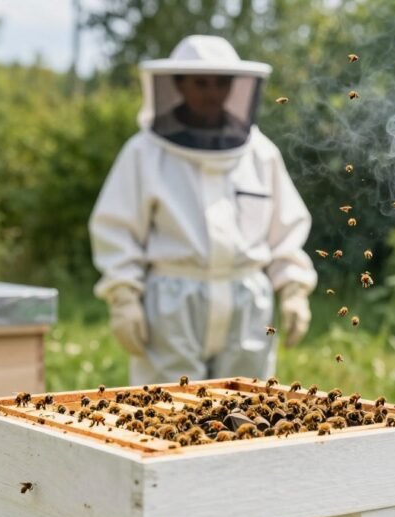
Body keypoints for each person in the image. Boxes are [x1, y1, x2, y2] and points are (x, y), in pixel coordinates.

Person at [89, 35, 316, 384]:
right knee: (169, 415)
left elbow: (284, 228)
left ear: (236, 87)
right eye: (201, 83)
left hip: (247, 303)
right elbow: (116, 227)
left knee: (246, 412)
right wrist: (123, 297)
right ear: (178, 85)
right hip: (172, 303)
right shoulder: (144, 152)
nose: (212, 92)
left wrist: (294, 289)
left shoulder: (261, 153)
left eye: (221, 83)